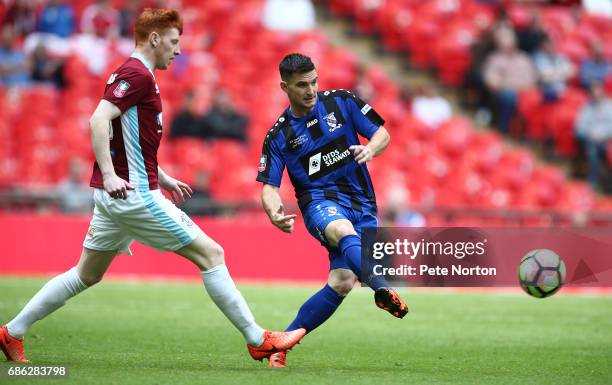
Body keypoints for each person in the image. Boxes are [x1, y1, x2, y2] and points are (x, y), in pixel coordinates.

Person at [0, 8, 304, 364]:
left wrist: (160, 173)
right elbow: (99, 120)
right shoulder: (136, 74)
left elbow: (130, 137)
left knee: (86, 274)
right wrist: (113, 174)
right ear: (155, 38)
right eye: (174, 42)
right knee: (213, 254)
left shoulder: (138, 74)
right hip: (133, 195)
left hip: (122, 193)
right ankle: (257, 340)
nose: (177, 50)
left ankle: (11, 332)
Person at [256, 53, 408, 368]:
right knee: (342, 232)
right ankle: (380, 287)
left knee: (340, 281)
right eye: (301, 85)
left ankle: (280, 346)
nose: (310, 90)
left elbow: (383, 133)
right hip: (319, 203)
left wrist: (370, 148)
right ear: (285, 87)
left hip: (363, 204)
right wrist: (273, 212)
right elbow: (269, 186)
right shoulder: (279, 135)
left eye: (314, 82)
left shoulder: (342, 102)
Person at [575, 82, 612, 191]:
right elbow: (579, 127)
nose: (596, 95)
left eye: (599, 93)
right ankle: (592, 181)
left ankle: (609, 183)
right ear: (590, 95)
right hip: (591, 139)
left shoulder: (610, 106)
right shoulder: (586, 108)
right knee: (592, 151)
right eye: (594, 93)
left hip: (608, 139)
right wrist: (591, 134)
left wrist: (604, 134)